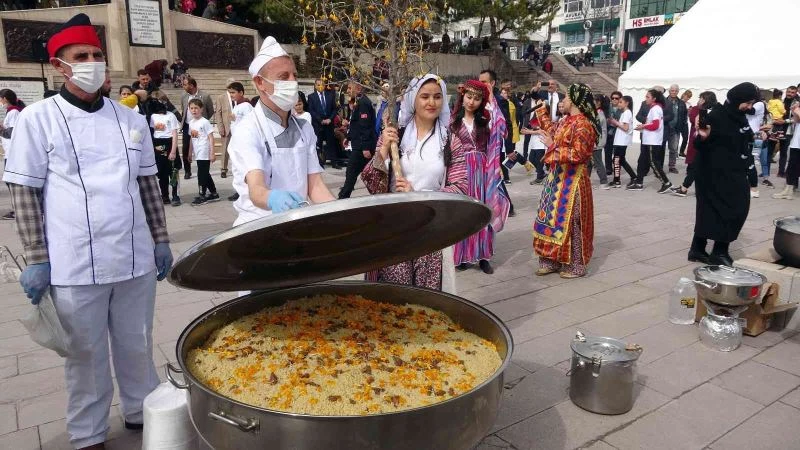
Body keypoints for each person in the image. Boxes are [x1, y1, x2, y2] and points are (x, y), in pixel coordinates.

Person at [2, 13, 172, 449]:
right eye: (82, 56)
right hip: (74, 259)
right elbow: (24, 192)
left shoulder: (129, 119)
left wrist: (161, 240)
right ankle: (87, 432)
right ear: (61, 65)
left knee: (137, 342)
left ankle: (140, 410)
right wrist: (37, 256)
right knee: (86, 355)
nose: (93, 62)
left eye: (98, 54)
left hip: (134, 255)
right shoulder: (39, 119)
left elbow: (148, 185)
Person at [360, 74, 466, 292]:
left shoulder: (451, 141)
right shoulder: (394, 136)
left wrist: (418, 195)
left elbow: (461, 188)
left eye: (437, 97)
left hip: (431, 230)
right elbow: (372, 184)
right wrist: (382, 150)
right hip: (394, 228)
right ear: (412, 100)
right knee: (393, 296)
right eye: (425, 96)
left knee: (427, 297)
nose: (431, 102)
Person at [227, 36, 336, 227]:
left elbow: (315, 185)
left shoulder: (304, 128)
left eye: (294, 75)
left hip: (296, 224)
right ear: (260, 82)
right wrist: (272, 198)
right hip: (257, 229)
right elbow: (256, 189)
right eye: (284, 77)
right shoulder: (248, 130)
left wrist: (340, 215)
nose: (293, 82)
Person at [531, 84, 598, 278]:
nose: (563, 100)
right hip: (556, 179)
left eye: (567, 97)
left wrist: (553, 147)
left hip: (573, 180)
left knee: (573, 222)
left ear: (576, 100)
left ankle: (575, 265)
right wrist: (541, 110)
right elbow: (552, 130)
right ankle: (550, 260)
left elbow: (579, 153)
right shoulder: (565, 121)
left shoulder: (584, 124)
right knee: (548, 219)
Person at [690, 82, 759, 265]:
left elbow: (741, 138)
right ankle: (719, 252)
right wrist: (702, 137)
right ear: (738, 99)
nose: (750, 107)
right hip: (713, 173)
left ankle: (697, 249)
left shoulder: (737, 115)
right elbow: (700, 144)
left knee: (709, 210)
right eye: (748, 102)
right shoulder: (718, 116)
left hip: (730, 171)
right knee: (734, 209)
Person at [451, 80, 510, 274]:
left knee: (484, 211)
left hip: (483, 171)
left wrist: (492, 99)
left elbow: (502, 129)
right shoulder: (452, 122)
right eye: (469, 97)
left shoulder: (485, 122)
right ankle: (461, 256)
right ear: (463, 97)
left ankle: (484, 256)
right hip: (461, 170)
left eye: (477, 99)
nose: (471, 102)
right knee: (463, 213)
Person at [479, 69, 515, 216]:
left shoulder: (500, 101)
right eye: (479, 82)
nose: (480, 85)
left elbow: (508, 126)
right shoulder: (477, 100)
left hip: (495, 149)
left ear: (492, 83)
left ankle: (507, 206)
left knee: (496, 175)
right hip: (481, 149)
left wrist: (510, 148)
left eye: (484, 82)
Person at [672, 91, 718, 198]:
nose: (699, 100)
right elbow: (695, 122)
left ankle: (685, 188)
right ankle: (689, 188)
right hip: (700, 141)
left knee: (696, 166)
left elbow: (701, 127)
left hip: (706, 143)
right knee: (696, 166)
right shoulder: (699, 110)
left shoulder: (711, 112)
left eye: (701, 98)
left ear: (705, 100)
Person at [628, 89, 672, 193]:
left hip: (653, 140)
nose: (645, 98)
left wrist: (643, 126)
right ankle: (639, 183)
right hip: (648, 140)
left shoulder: (656, 109)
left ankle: (666, 183)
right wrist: (644, 126)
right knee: (643, 161)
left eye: (648, 97)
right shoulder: (653, 108)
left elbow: (655, 125)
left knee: (653, 162)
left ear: (654, 99)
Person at [338, 81, 376, 199]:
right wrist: (348, 138)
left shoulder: (364, 103)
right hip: (357, 143)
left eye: (350, 88)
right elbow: (356, 124)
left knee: (351, 172)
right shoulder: (358, 102)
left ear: (358, 88)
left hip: (361, 146)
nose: (348, 91)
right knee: (353, 173)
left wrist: (365, 147)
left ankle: (343, 198)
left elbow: (365, 126)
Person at [148, 96, 181, 206]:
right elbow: (152, 132)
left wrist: (173, 151)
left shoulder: (171, 116)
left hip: (170, 143)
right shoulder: (153, 116)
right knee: (162, 174)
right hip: (158, 145)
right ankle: (165, 196)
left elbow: (174, 134)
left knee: (173, 172)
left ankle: (175, 195)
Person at [179, 76, 214, 179]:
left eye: (185, 84)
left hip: (201, 126)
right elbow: (183, 109)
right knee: (186, 148)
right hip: (187, 125)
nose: (183, 86)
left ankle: (203, 169)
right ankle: (187, 171)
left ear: (192, 85)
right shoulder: (184, 96)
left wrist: (202, 120)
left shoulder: (205, 96)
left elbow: (210, 110)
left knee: (202, 146)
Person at [186, 98, 219, 205]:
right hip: (197, 152)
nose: (194, 110)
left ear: (201, 109)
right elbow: (191, 138)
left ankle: (202, 195)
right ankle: (214, 193)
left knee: (201, 174)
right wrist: (190, 152)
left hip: (204, 151)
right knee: (205, 173)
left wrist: (212, 152)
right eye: (192, 108)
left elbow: (211, 137)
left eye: (196, 108)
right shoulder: (191, 123)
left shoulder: (205, 122)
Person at [0, 88, 24, 220]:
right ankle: (17, 209)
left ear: (5, 99)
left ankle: (18, 210)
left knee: (12, 182)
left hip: (13, 153)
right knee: (10, 181)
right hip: (9, 153)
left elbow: (14, 132)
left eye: (0, 99)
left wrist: (1, 130)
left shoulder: (13, 112)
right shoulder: (10, 112)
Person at [307, 78, 341, 169]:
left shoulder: (330, 95)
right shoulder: (311, 97)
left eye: (322, 84)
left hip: (329, 123)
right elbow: (311, 110)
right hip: (318, 124)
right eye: (318, 85)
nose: (320, 86)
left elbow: (334, 109)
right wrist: (320, 120)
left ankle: (334, 163)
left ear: (325, 85)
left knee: (331, 143)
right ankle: (319, 163)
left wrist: (330, 119)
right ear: (315, 86)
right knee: (318, 143)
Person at [773, 100, 800, 200]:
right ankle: (788, 191)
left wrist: (797, 110)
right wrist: (794, 111)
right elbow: (797, 120)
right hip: (796, 142)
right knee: (792, 167)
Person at [608, 95, 636, 187]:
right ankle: (620, 179)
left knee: (617, 160)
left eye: (620, 102)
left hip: (622, 141)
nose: (618, 104)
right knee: (620, 160)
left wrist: (615, 122)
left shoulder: (627, 113)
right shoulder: (624, 113)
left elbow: (625, 127)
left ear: (626, 103)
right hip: (620, 140)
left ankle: (619, 180)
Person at [665, 84, 688, 174]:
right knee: (661, 149)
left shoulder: (681, 103)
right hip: (665, 128)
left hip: (675, 129)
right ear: (669, 91)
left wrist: (684, 130)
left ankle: (672, 166)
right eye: (672, 90)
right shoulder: (664, 101)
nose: (673, 92)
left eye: (675, 91)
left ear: (678, 92)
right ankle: (658, 167)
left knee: (674, 149)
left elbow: (684, 117)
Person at [214, 79, 235, 180]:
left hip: (237, 127)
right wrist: (220, 127)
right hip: (226, 127)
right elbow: (218, 113)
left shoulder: (238, 96)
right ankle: (223, 169)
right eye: (230, 85)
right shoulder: (221, 97)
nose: (232, 86)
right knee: (225, 149)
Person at [588, 93, 610, 188]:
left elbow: (595, 128)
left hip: (597, 141)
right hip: (593, 141)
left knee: (597, 162)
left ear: (598, 102)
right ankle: (586, 179)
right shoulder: (596, 112)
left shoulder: (599, 113)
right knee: (588, 162)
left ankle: (604, 181)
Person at [679, 89, 693, 157]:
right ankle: (674, 152)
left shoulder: (689, 104)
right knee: (676, 138)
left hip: (685, 123)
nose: (687, 98)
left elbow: (690, 115)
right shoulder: (678, 102)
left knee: (685, 138)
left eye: (689, 97)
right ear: (684, 95)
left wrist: (690, 111)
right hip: (678, 122)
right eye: (687, 96)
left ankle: (681, 152)